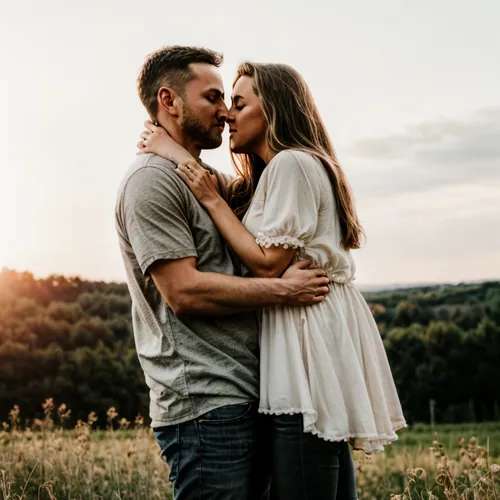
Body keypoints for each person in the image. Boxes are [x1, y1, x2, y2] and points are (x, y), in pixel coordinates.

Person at [140, 61, 407, 500]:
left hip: (304, 341)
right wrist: (174, 153)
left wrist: (208, 197)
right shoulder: (277, 173)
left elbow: (267, 265)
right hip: (310, 335)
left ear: (275, 111)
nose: (227, 114)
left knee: (304, 476)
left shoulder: (292, 165)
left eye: (239, 104)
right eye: (222, 101)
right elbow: (220, 185)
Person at [115, 46, 331, 500]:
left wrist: (174, 149)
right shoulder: (152, 182)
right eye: (212, 98)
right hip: (205, 406)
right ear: (169, 101)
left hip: (247, 395)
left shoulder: (197, 177)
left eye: (230, 101)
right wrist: (282, 290)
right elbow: (184, 293)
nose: (225, 112)